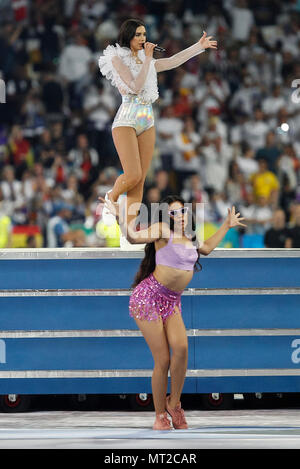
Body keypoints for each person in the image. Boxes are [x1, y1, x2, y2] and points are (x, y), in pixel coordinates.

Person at [100, 194, 246, 430]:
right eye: (173, 213)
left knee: (182, 349)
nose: (179, 217)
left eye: (182, 212)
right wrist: (119, 217)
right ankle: (159, 415)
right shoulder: (161, 230)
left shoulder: (190, 235)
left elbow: (206, 248)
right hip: (148, 298)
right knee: (163, 359)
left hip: (172, 301)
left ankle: (174, 403)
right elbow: (134, 236)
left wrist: (226, 225)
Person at [98, 18, 217, 232]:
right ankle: (110, 198)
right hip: (126, 119)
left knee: (140, 179)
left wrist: (198, 47)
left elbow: (174, 60)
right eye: (138, 35)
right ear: (128, 37)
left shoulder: (149, 61)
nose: (143, 38)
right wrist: (148, 59)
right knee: (132, 174)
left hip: (147, 120)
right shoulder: (117, 58)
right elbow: (134, 87)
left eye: (144, 34)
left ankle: (129, 229)